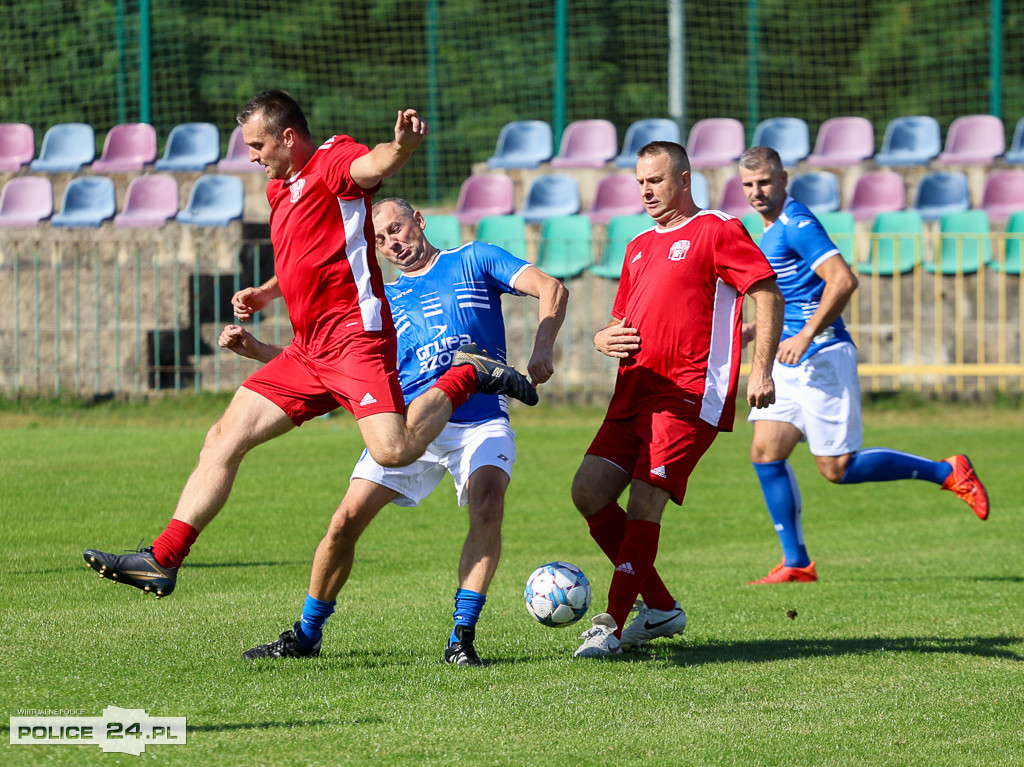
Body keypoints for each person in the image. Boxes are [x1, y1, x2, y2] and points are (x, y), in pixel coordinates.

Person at [82, 91, 537, 598]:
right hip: (308, 350)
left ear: (288, 138)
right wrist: (267, 292)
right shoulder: (281, 190)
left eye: (258, 145)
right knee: (222, 438)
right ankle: (162, 558)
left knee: (393, 452)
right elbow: (306, 255)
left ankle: (468, 373)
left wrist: (401, 147)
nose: (252, 156)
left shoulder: (332, 160)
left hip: (354, 341)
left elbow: (373, 165)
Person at [220, 198, 567, 666]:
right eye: (380, 239)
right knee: (344, 523)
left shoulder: (474, 258)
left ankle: (461, 639)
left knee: (489, 504)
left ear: (419, 221)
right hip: (407, 428)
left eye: (397, 229)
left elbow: (551, 287)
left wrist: (542, 348)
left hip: (479, 418)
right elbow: (325, 367)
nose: (391, 243)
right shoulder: (379, 302)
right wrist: (260, 349)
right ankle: (306, 634)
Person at [569, 141, 785, 658]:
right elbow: (620, 321)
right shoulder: (638, 245)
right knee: (588, 493)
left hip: (687, 395)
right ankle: (661, 608)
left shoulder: (717, 229)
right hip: (633, 393)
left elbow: (767, 292)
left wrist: (761, 370)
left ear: (684, 180)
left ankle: (612, 626)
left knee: (646, 501)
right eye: (640, 181)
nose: (646, 190)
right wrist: (603, 339)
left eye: (657, 180)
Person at [737, 146, 989, 585]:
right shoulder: (771, 229)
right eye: (749, 185)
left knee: (837, 469)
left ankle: (947, 471)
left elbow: (843, 279)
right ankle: (796, 563)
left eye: (764, 182)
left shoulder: (797, 224)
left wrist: (806, 334)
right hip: (788, 360)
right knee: (765, 452)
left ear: (783, 180)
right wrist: (755, 331)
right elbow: (792, 296)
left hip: (821, 357)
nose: (757, 191)